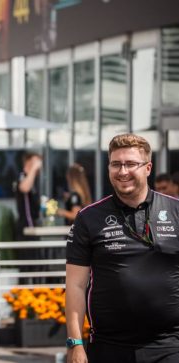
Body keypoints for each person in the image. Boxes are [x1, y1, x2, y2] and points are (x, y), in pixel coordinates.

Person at [66, 134, 179, 363]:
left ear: (148, 168)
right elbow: (75, 285)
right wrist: (75, 344)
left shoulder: (175, 211)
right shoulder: (89, 218)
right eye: (116, 164)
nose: (123, 171)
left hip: (170, 346)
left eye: (130, 164)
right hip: (109, 347)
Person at [13, 152, 42, 240]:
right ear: (28, 162)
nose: (38, 165)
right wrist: (33, 168)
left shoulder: (33, 180)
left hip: (32, 225)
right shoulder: (23, 176)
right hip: (25, 226)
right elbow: (24, 188)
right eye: (35, 162)